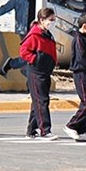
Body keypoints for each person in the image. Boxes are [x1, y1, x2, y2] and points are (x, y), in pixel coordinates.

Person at [20, 8, 59, 139]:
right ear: (42, 20)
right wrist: (35, 60)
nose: (53, 22)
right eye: (51, 20)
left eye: (54, 19)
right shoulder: (34, 35)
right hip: (36, 72)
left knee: (37, 101)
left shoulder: (47, 34)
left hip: (45, 71)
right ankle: (45, 130)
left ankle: (31, 129)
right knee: (42, 101)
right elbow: (23, 51)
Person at [63, 13, 86, 141]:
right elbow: (82, 59)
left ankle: (82, 129)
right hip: (81, 73)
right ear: (85, 26)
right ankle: (72, 125)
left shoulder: (85, 39)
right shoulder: (79, 39)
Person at [0, 0, 36, 76]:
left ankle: (11, 64)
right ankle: (16, 67)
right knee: (31, 54)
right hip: (24, 30)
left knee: (34, 54)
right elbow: (4, 9)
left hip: (35, 31)